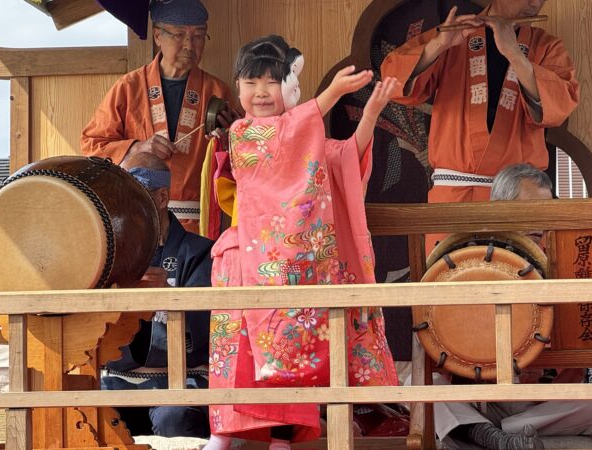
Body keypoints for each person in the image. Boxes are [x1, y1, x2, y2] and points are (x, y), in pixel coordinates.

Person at [203, 35, 400, 450]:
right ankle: (221, 435)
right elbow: (281, 139)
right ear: (237, 88)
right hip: (244, 260)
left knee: (294, 351)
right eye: (252, 82)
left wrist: (371, 112)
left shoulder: (306, 140)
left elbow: (345, 158)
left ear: (289, 88)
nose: (261, 93)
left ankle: (283, 438)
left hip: (289, 270)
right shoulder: (243, 134)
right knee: (237, 354)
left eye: (271, 83)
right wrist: (330, 94)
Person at [425, 164, 592, 450]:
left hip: (538, 399)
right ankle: (493, 434)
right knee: (422, 385)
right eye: (529, 210)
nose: (539, 223)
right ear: (500, 209)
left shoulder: (560, 261)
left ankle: (491, 435)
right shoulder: (469, 257)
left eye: (544, 213)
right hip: (484, 392)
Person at [381, 0, 579, 252]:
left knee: (518, 278)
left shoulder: (547, 46)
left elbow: (560, 105)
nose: (536, 2)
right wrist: (438, 45)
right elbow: (392, 80)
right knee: (450, 278)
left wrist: (514, 54)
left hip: (520, 200)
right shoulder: (455, 34)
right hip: (454, 197)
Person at [81, 0, 235, 234]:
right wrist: (137, 148)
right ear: (157, 36)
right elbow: (92, 146)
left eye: (198, 36)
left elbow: (238, 161)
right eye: (179, 35)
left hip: (198, 226)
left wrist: (231, 136)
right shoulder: (129, 87)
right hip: (138, 223)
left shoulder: (217, 92)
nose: (189, 45)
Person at [100, 152, 214, 438]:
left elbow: (209, 328)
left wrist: (169, 296)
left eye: (134, 196)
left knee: (174, 417)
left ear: (161, 199)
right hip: (119, 381)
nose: (125, 206)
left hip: (181, 382)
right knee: (91, 413)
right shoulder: (106, 254)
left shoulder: (201, 252)